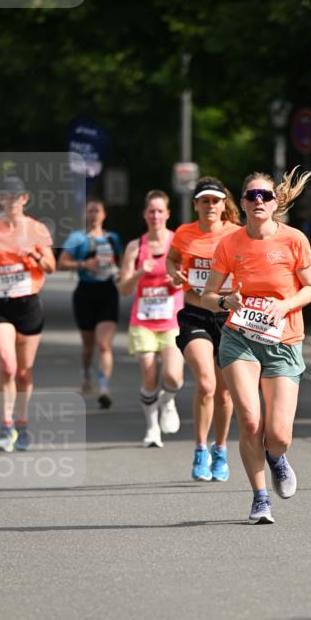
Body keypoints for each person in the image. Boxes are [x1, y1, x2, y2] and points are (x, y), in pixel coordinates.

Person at [201, 168, 311, 523]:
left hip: (283, 340)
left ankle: (276, 458)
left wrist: (285, 305)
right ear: (241, 202)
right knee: (251, 421)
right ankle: (259, 498)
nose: (258, 201)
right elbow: (207, 295)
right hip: (239, 338)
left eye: (265, 196)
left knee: (279, 435)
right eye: (251, 195)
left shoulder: (294, 240)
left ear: (275, 202)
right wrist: (226, 302)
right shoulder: (230, 243)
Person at [167, 177, 241, 481]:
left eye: (215, 200)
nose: (211, 206)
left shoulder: (237, 234)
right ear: (196, 204)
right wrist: (174, 273)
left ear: (224, 204)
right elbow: (171, 260)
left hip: (228, 318)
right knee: (207, 384)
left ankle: (220, 449)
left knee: (224, 392)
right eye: (205, 201)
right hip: (195, 314)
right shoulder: (184, 233)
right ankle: (200, 448)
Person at [0, 175, 56, 451]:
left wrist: (33, 256)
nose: (11, 201)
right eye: (6, 197)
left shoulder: (37, 229)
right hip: (0, 302)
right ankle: (5, 424)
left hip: (29, 304)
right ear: (0, 199)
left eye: (16, 197)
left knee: (23, 372)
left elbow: (51, 266)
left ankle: (21, 422)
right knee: (7, 366)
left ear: (25, 199)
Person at [118, 190, 184, 447]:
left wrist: (177, 280)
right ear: (145, 214)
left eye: (160, 211)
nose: (156, 215)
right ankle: (152, 428)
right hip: (143, 321)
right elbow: (123, 289)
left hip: (172, 320)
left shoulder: (179, 242)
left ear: (167, 214)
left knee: (173, 377)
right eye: (151, 211)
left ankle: (168, 401)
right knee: (149, 377)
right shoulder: (136, 247)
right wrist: (137, 274)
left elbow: (193, 280)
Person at [58, 199, 122, 408]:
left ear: (104, 214)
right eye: (90, 211)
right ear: (86, 215)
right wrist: (85, 263)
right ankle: (85, 375)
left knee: (104, 345)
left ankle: (104, 388)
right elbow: (61, 263)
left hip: (108, 292)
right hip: (85, 293)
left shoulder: (113, 238)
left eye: (97, 211)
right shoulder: (77, 238)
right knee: (88, 345)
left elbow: (121, 264)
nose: (94, 214)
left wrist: (120, 272)